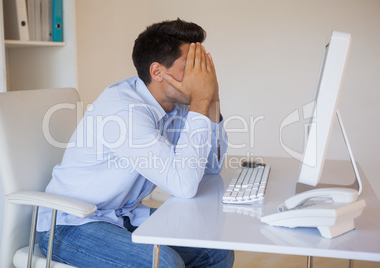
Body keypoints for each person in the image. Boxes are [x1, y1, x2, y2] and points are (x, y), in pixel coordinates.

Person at [37, 18, 234, 267]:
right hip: (71, 224)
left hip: (123, 215)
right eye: (191, 66)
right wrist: (200, 100)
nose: (200, 76)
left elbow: (211, 166)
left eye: (201, 65)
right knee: (164, 263)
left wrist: (212, 98)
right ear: (157, 72)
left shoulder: (178, 103)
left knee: (216, 251)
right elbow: (184, 186)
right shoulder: (125, 112)